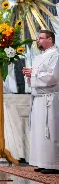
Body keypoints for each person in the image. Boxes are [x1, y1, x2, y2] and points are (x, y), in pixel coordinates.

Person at [23, 29, 59, 174]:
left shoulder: (55, 55)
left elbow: (53, 76)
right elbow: (37, 76)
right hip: (38, 99)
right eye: (38, 38)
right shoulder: (39, 57)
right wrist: (29, 74)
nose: (38, 41)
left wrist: (34, 73)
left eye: (41, 38)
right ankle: (43, 162)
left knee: (50, 131)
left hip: (50, 99)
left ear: (50, 39)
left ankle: (54, 164)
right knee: (39, 132)